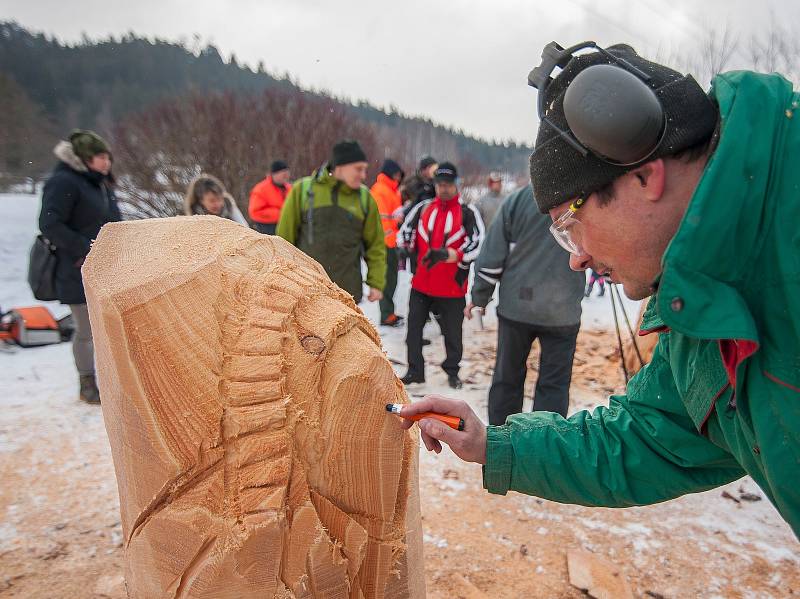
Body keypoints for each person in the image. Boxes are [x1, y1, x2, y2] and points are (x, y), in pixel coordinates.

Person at [397, 42, 800, 537]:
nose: (576, 257)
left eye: (570, 223)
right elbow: (647, 439)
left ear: (644, 176)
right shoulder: (704, 317)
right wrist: (493, 445)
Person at [465, 184, 585, 423]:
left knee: (507, 379)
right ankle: (543, 449)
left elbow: (492, 258)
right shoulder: (580, 198)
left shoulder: (517, 201)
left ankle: (502, 443)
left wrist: (480, 296)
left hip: (517, 308)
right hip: (563, 310)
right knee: (555, 386)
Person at [39, 130, 121, 404]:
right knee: (87, 330)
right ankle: (87, 381)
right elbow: (50, 224)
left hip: (107, 266)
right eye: (100, 157)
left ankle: (117, 382)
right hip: (76, 267)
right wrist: (85, 247)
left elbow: (112, 221)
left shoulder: (99, 183)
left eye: (107, 156)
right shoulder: (64, 182)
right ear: (84, 158)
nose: (106, 162)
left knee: (112, 328)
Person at [398, 162, 484, 389]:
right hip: (421, 284)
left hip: (452, 288)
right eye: (440, 184)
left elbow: (476, 244)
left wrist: (450, 254)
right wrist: (405, 246)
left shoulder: (467, 212)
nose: (443, 188)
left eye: (448, 184)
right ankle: (415, 371)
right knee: (413, 330)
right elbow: (405, 231)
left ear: (456, 185)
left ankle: (452, 370)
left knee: (452, 335)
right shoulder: (423, 208)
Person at [277, 140, 385, 304]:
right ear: (340, 166)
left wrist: (376, 283)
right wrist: (282, 279)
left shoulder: (365, 199)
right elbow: (283, 240)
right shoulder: (302, 190)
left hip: (347, 293)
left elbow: (375, 245)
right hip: (306, 290)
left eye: (365, 170)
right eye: (358, 169)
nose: (363, 175)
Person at [370, 159, 406, 326]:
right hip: (384, 243)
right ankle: (386, 315)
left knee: (392, 280)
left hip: (392, 242)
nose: (399, 177)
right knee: (386, 281)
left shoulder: (393, 190)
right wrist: (396, 225)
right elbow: (382, 219)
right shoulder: (380, 190)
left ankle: (389, 312)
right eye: (397, 174)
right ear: (391, 172)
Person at [248, 160, 292, 234]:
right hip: (267, 228)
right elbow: (255, 212)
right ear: (274, 174)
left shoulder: (290, 188)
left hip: (286, 227)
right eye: (283, 174)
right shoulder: (261, 189)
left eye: (287, 173)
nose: (286, 176)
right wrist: (282, 214)